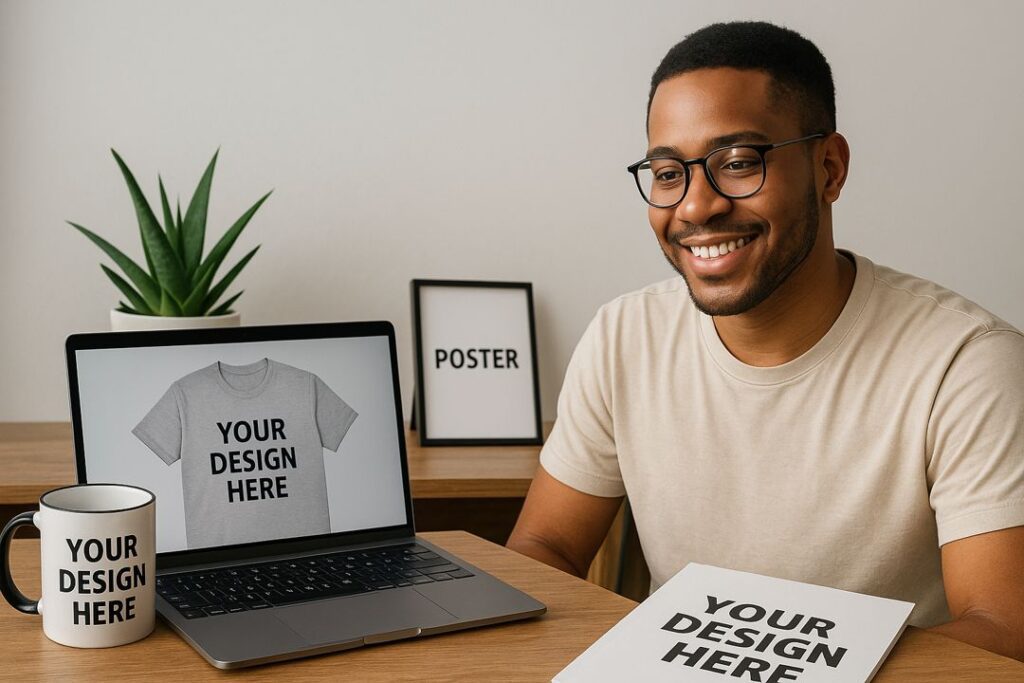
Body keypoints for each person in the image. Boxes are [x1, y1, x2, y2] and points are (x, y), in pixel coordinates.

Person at [507, 21, 1024, 661]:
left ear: (828, 168)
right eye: (668, 173)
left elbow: (1004, 631)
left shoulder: (968, 363)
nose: (696, 207)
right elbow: (545, 550)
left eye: (738, 163)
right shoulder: (623, 335)